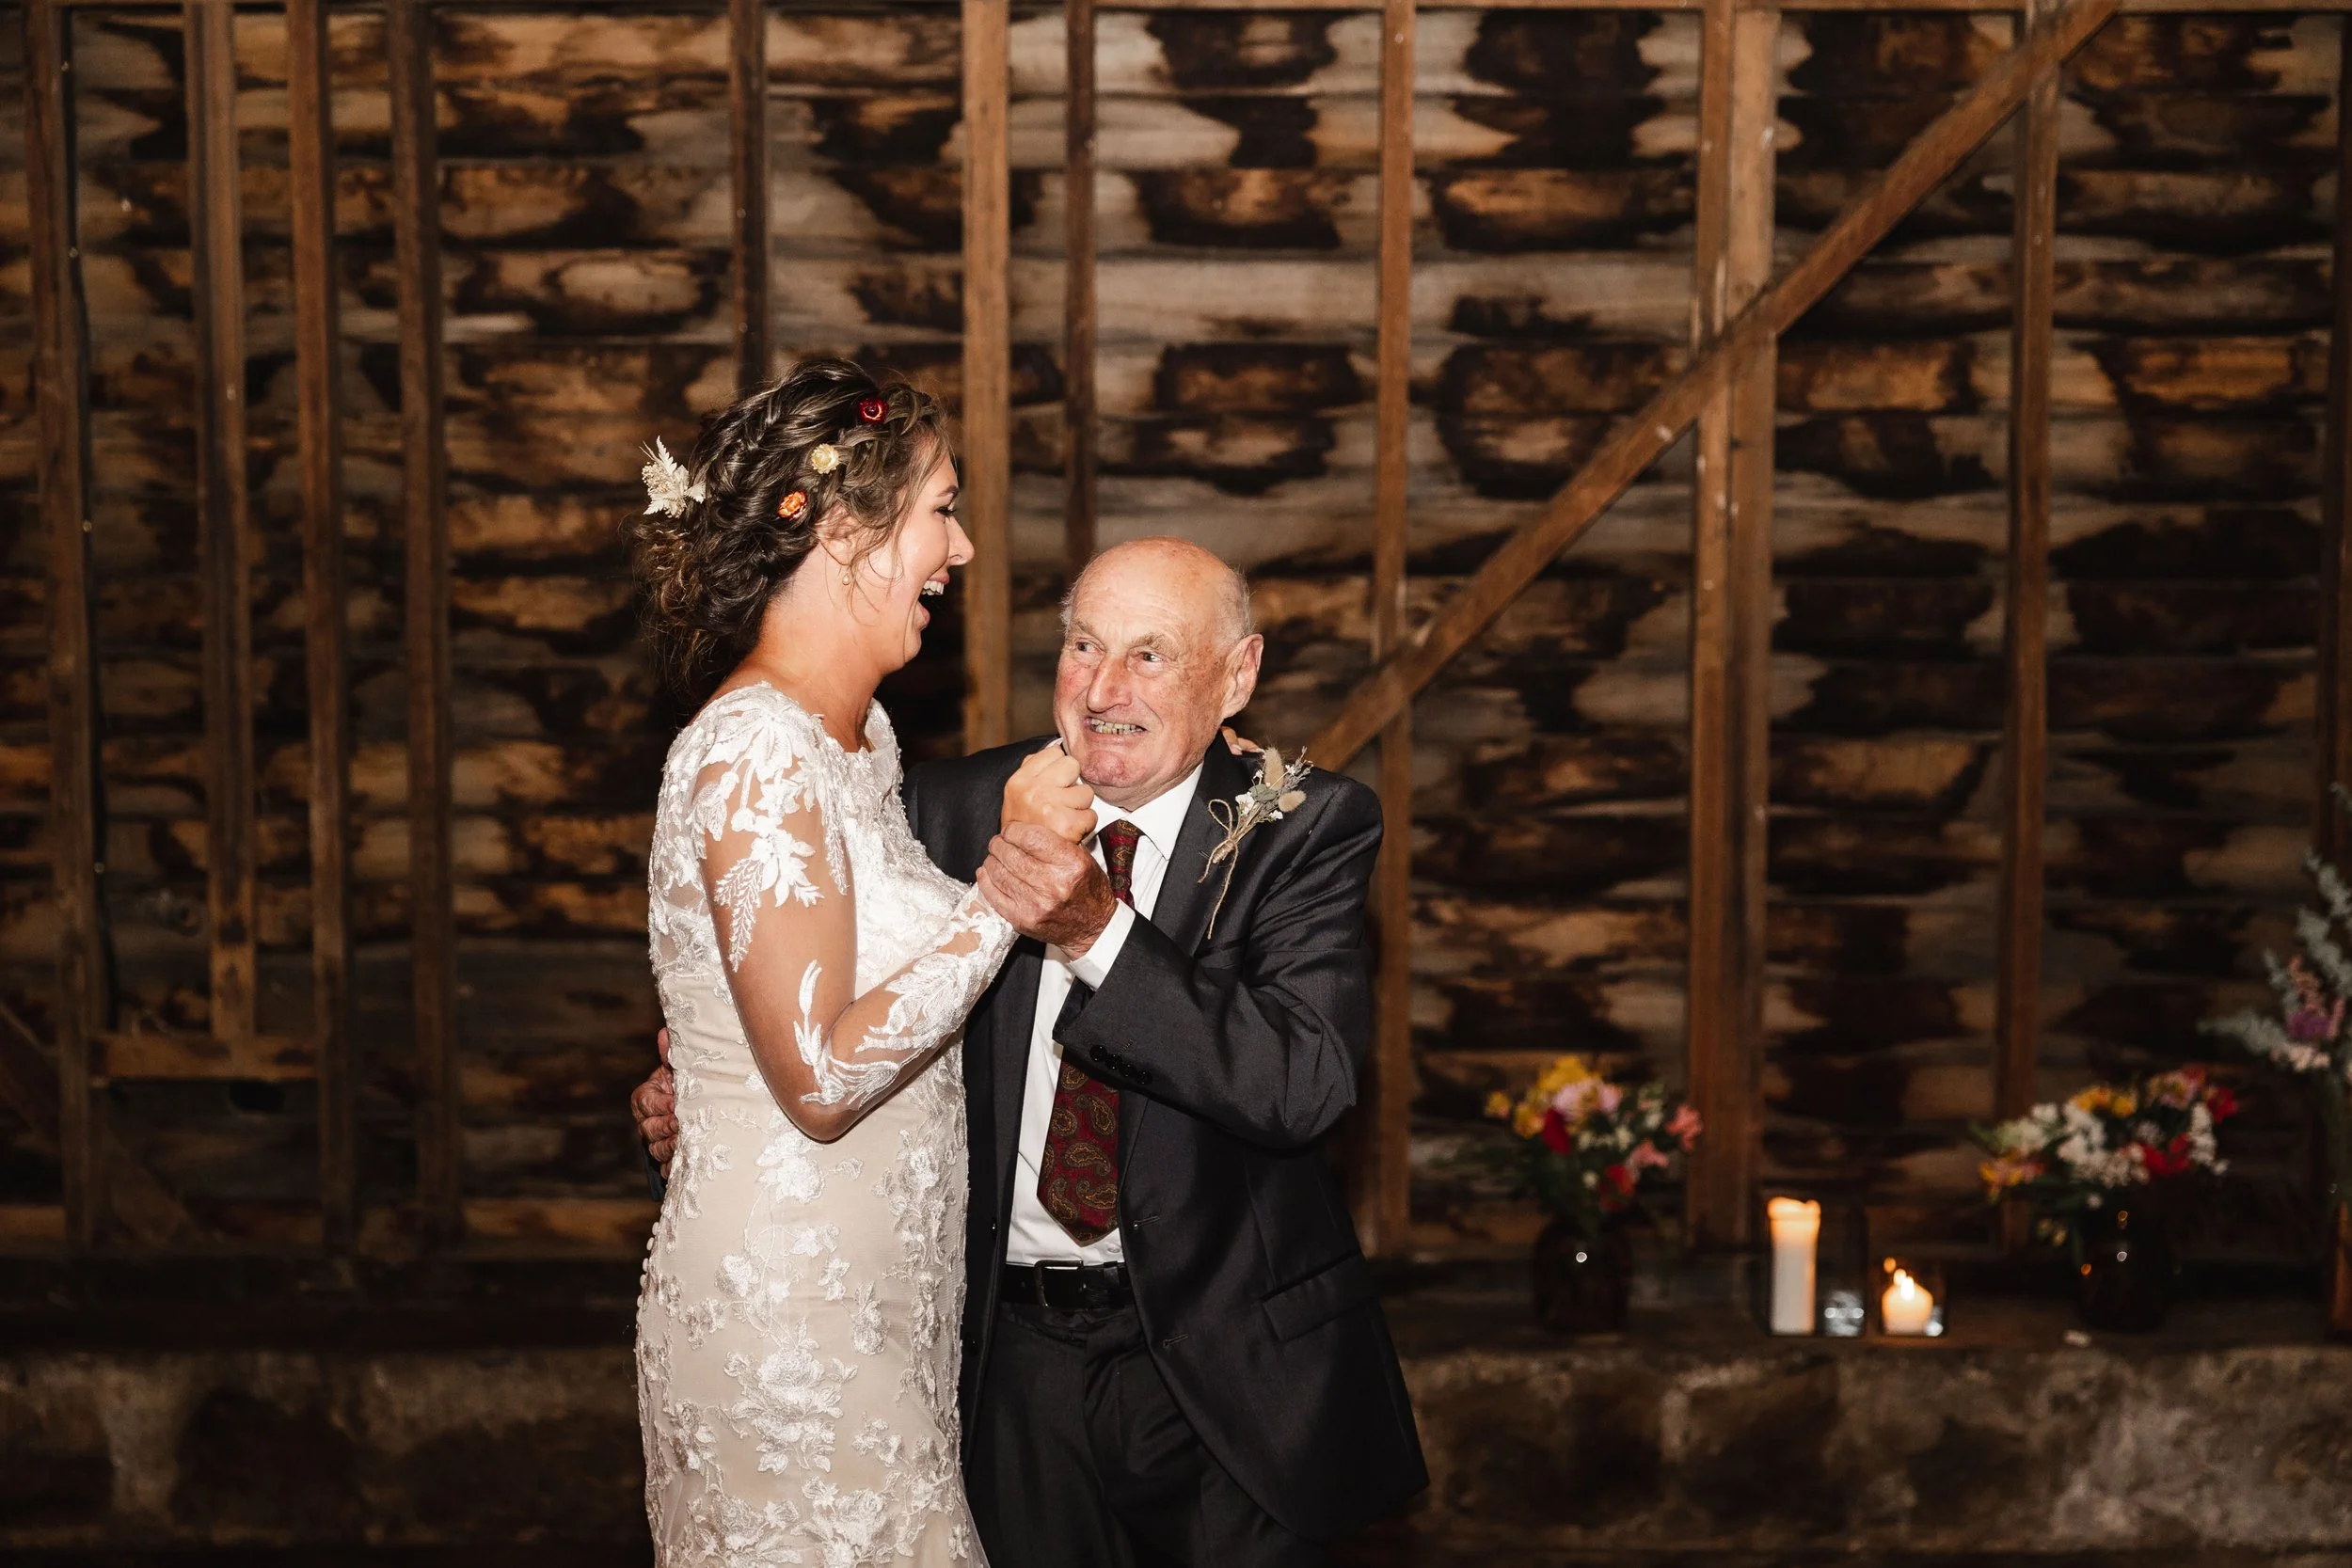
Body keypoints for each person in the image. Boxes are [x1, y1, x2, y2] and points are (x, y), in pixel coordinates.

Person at [636, 535, 1428, 1566]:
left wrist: (1097, 930)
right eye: (1083, 645)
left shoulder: (1305, 826)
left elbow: (1302, 1082)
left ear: (1237, 676)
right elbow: (826, 1018)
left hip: (1223, 1367)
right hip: (1005, 1363)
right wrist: (705, 1100)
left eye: (1150, 655)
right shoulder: (947, 808)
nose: (1103, 688)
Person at [628, 359, 1049, 1565]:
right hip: (788, 1324)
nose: (961, 549)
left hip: (882, 1306)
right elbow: (814, 1077)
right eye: (942, 509)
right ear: (848, 530)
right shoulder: (754, 750)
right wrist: (1004, 897)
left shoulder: (861, 739)